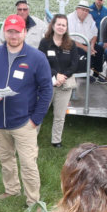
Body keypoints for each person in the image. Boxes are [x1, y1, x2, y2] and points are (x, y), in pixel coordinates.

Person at [0, 14, 53, 206]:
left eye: (17, 32)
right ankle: (11, 190)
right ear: (5, 32)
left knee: (28, 164)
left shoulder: (37, 58)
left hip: (24, 122)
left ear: (25, 32)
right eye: (10, 31)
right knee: (6, 159)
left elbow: (46, 90)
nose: (13, 35)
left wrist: (35, 119)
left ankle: (33, 201)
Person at [39, 14, 80, 148]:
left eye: (64, 25)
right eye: (59, 24)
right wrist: (56, 75)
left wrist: (63, 76)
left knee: (60, 115)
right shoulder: (45, 43)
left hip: (64, 84)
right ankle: (31, 137)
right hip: (47, 83)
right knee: (40, 112)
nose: (61, 27)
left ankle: (56, 140)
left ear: (66, 27)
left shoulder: (71, 44)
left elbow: (74, 65)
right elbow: (42, 62)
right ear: (53, 25)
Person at [67, 0, 101, 82]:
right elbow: (69, 38)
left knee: (99, 50)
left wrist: (92, 46)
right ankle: (84, 73)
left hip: (88, 43)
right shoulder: (70, 18)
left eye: (86, 11)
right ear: (77, 9)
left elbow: (95, 33)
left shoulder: (89, 17)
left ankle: (97, 74)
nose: (85, 12)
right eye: (83, 10)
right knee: (82, 53)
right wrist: (85, 48)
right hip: (74, 44)